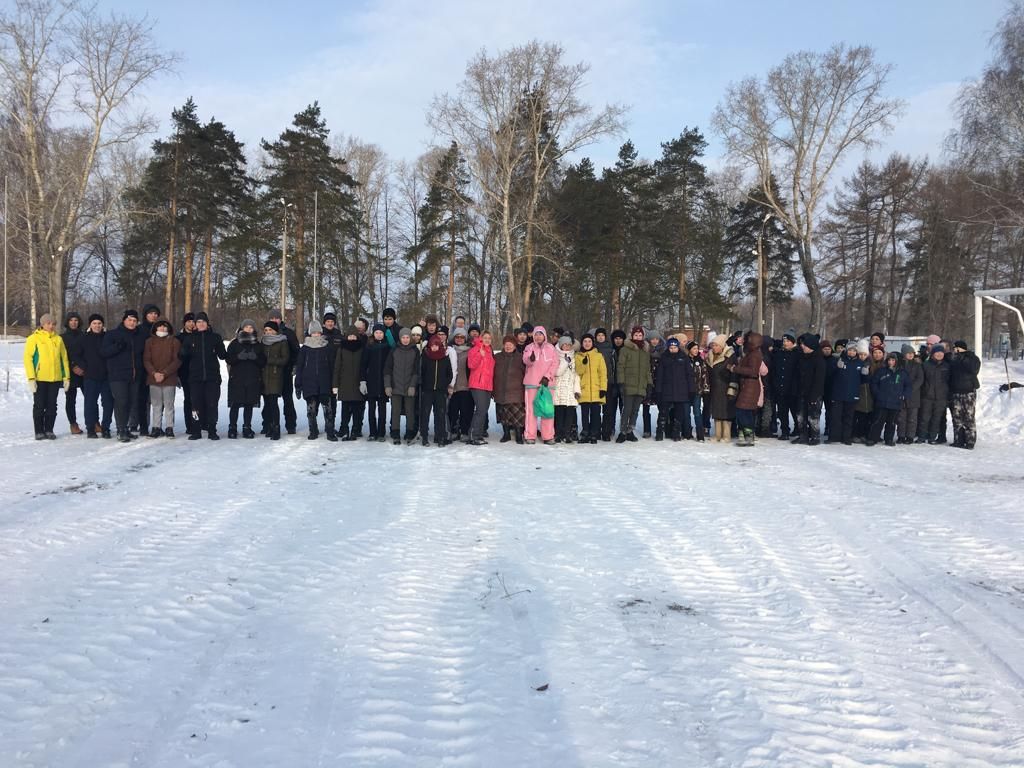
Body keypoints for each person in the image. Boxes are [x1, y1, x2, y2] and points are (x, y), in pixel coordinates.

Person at [179, 311, 227, 440]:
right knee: (195, 405)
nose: (201, 324)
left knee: (212, 404)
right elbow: (182, 356)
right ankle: (196, 430)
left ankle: (212, 430)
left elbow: (223, 356)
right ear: (195, 324)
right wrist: (183, 351)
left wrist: (220, 346)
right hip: (195, 378)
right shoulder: (190, 338)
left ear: (207, 323)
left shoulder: (215, 337)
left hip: (212, 378)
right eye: (198, 322)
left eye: (203, 322)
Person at [101, 309, 145, 442]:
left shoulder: (139, 335)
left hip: (134, 375)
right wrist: (117, 347)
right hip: (117, 375)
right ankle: (121, 430)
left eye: (134, 321)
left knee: (131, 402)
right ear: (124, 320)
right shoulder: (112, 334)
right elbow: (104, 352)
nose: (132, 323)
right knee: (121, 402)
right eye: (129, 320)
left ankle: (125, 428)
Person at [24, 313, 70, 440]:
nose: (51, 326)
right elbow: (28, 358)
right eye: (48, 323)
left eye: (53, 324)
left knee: (52, 405)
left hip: (55, 379)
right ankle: (39, 431)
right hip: (40, 378)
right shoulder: (34, 338)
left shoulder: (58, 339)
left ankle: (49, 429)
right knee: (39, 405)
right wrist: (31, 378)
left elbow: (64, 359)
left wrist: (66, 377)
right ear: (42, 324)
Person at [294, 320, 335, 440]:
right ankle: (313, 430)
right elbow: (300, 367)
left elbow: (332, 366)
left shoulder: (327, 347)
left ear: (321, 333)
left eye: (318, 332)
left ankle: (330, 430)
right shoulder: (305, 349)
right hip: (309, 383)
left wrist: (334, 384)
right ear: (310, 333)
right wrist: (298, 384)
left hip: (325, 382)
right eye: (313, 332)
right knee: (311, 410)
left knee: (327, 409)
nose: (316, 334)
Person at [225, 319, 266, 439]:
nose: (248, 329)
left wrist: (255, 358)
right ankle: (232, 427)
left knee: (249, 404)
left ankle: (247, 427)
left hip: (252, 378)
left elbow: (263, 362)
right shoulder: (235, 343)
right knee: (235, 404)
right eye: (246, 327)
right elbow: (228, 359)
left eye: (251, 327)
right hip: (237, 378)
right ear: (242, 329)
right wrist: (238, 357)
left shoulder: (257, 345)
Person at [143, 319, 181, 438]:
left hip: (169, 378)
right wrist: (154, 373)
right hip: (153, 378)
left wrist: (164, 373)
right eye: (160, 327)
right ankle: (156, 428)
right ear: (155, 328)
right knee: (156, 404)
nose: (162, 329)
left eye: (165, 327)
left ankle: (169, 428)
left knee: (169, 404)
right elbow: (146, 359)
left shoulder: (174, 341)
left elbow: (177, 360)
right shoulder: (149, 341)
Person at [522, 326, 559, 445]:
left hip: (547, 384)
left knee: (547, 410)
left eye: (540, 334)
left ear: (544, 335)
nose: (538, 337)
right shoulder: (529, 347)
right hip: (532, 383)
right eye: (536, 334)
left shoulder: (551, 348)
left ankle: (548, 436)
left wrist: (547, 377)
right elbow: (525, 360)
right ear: (533, 336)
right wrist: (530, 359)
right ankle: (530, 435)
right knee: (531, 411)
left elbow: (555, 364)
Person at [654, 337, 695, 441]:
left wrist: (691, 390)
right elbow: (659, 375)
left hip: (681, 390)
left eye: (674, 347)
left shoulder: (684, 358)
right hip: (666, 389)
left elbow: (689, 375)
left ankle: (676, 432)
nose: (673, 349)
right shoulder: (664, 358)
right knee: (663, 412)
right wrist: (658, 390)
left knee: (679, 413)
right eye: (671, 347)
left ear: (678, 347)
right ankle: (660, 431)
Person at [615, 326, 652, 443]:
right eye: (636, 335)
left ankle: (630, 431)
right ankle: (622, 431)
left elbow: (647, 369)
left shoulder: (645, 351)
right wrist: (621, 382)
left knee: (635, 410)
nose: (638, 337)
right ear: (632, 336)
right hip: (628, 384)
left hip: (641, 385)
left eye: (640, 335)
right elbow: (620, 367)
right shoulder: (625, 350)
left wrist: (649, 383)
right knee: (627, 409)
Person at [384, 327, 419, 444]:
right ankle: (395, 434)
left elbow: (416, 370)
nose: (405, 339)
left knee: (410, 412)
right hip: (395, 387)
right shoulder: (394, 350)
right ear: (400, 338)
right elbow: (387, 369)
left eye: (407, 337)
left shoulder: (415, 351)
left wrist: (413, 385)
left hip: (409, 387)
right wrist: (388, 385)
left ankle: (409, 434)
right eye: (403, 337)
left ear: (410, 338)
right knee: (396, 411)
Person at [80, 314, 113, 439]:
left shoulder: (108, 337)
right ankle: (91, 428)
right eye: (94, 323)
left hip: (107, 376)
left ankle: (106, 428)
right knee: (90, 403)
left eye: (99, 323)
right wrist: (84, 366)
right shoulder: (84, 338)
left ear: (102, 325)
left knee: (108, 403)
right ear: (90, 325)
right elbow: (77, 354)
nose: (97, 326)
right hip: (90, 376)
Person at [867, 351, 910, 446]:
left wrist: (903, 395)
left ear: (897, 361)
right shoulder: (882, 371)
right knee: (878, 421)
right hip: (882, 401)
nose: (891, 362)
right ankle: (873, 438)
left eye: (893, 360)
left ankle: (889, 439)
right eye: (889, 360)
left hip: (896, 402)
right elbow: (874, 383)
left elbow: (907, 386)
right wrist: (877, 394)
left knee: (891, 423)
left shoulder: (903, 373)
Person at [268, 309, 300, 435]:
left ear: (280, 319)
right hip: (271, 373)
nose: (275, 320)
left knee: (288, 399)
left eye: (277, 318)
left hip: (286, 371)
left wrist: (294, 365)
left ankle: (291, 424)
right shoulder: (267, 332)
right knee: (270, 400)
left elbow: (296, 351)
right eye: (272, 318)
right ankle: (269, 424)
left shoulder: (289, 333)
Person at [829, 341, 866, 445]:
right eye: (850, 350)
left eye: (854, 350)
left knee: (849, 418)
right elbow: (830, 375)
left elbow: (863, 380)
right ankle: (834, 437)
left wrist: (865, 374)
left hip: (852, 395)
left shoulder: (860, 363)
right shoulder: (839, 360)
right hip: (838, 394)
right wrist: (836, 367)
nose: (852, 352)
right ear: (846, 350)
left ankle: (846, 437)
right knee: (836, 416)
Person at [733, 332, 767, 447]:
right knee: (743, 411)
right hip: (748, 385)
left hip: (750, 385)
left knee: (743, 411)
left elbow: (752, 371)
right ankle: (745, 434)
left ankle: (748, 434)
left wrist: (735, 369)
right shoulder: (752, 353)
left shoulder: (754, 355)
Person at [419, 331, 453, 446]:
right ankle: (424, 436)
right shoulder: (426, 356)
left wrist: (444, 384)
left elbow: (450, 374)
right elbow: (421, 373)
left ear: (439, 345)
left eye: (436, 345)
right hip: (427, 391)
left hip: (440, 391)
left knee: (440, 414)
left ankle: (440, 437)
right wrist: (423, 385)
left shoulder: (445, 357)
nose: (434, 347)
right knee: (425, 414)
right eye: (432, 345)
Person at [791, 334, 825, 445]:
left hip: (814, 393)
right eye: (802, 344)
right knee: (800, 416)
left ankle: (815, 436)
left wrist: (814, 395)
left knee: (813, 417)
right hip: (801, 392)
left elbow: (819, 380)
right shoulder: (801, 358)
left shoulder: (819, 360)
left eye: (804, 345)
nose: (802, 346)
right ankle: (802, 436)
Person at [333, 326, 366, 441]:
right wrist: (335, 385)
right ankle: (343, 429)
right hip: (345, 383)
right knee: (345, 409)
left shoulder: (362, 348)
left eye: (354, 336)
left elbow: (365, 366)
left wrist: (364, 381)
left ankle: (356, 430)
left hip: (358, 383)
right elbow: (337, 367)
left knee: (357, 409)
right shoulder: (342, 349)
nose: (352, 338)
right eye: (350, 336)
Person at [260, 320, 291, 441]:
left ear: (275, 331)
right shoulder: (262, 342)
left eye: (270, 330)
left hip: (275, 376)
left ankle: (276, 427)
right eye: (266, 330)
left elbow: (285, 359)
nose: (268, 332)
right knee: (266, 403)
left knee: (273, 403)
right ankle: (269, 426)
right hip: (263, 376)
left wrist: (269, 360)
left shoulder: (282, 342)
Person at [493, 335, 526, 444]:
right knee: (503, 415)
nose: (508, 346)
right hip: (500, 390)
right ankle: (506, 434)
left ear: (515, 346)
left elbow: (526, 372)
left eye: (510, 345)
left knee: (518, 416)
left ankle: (518, 435)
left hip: (516, 392)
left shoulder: (521, 357)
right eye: (506, 344)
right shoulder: (497, 357)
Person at [948, 340, 981, 449]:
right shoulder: (953, 358)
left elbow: (973, 369)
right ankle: (958, 440)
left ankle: (970, 441)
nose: (954, 350)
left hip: (968, 392)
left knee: (969, 417)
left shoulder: (972, 358)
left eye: (956, 348)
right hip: (955, 392)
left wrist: (963, 357)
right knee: (957, 418)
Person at [576, 333, 607, 444]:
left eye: (589, 341)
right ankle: (585, 433)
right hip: (584, 390)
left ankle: (594, 434)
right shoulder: (578, 356)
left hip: (596, 390)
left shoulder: (598, 356)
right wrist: (583, 364)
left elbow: (603, 374)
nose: (587, 343)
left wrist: (603, 388)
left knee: (595, 414)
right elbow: (577, 372)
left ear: (592, 343)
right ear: (582, 343)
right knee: (584, 414)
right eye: (585, 341)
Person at [362, 323, 392, 441]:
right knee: (371, 409)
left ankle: (381, 433)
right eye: (376, 333)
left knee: (382, 410)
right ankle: (372, 432)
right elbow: (363, 365)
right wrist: (363, 380)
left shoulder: (388, 347)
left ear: (384, 334)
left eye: (381, 333)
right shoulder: (369, 347)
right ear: (373, 334)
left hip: (383, 383)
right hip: (371, 382)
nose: (379, 335)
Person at [466, 331, 496, 445]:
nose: (487, 340)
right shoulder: (475, 349)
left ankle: (478, 434)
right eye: (485, 338)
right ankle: (473, 435)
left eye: (489, 338)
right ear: (481, 338)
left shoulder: (489, 352)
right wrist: (480, 354)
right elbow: (471, 365)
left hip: (487, 386)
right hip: (477, 385)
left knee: (483, 411)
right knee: (481, 410)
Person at [552, 335, 582, 443]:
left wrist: (577, 390)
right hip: (559, 389)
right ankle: (558, 434)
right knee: (559, 414)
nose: (567, 347)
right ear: (561, 345)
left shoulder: (575, 357)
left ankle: (567, 434)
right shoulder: (556, 356)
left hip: (570, 390)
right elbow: (557, 373)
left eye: (569, 345)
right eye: (565, 345)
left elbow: (577, 375)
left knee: (570, 414)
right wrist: (565, 362)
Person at [919, 344, 951, 444]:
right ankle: (922, 436)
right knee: (924, 418)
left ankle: (932, 437)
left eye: (941, 353)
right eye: (937, 353)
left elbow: (950, 381)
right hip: (927, 396)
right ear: (932, 354)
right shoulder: (926, 365)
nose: (939, 354)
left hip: (941, 397)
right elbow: (922, 380)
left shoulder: (947, 366)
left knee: (936, 419)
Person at [771, 331, 800, 439]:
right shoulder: (778, 353)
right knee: (782, 411)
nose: (785, 343)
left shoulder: (797, 354)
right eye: (784, 341)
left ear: (793, 342)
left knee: (795, 411)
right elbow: (775, 369)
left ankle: (798, 428)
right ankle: (784, 431)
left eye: (788, 341)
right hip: (780, 387)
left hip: (792, 389)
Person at [707, 333, 735, 442]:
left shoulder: (730, 356)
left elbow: (734, 374)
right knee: (716, 411)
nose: (714, 348)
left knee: (726, 411)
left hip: (725, 386)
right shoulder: (709, 356)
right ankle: (717, 434)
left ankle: (726, 435)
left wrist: (732, 388)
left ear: (722, 346)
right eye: (713, 345)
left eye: (716, 345)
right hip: (714, 387)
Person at [448, 327, 474, 442]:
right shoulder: (449, 349)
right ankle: (454, 430)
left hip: (466, 385)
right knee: (452, 411)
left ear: (465, 338)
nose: (459, 339)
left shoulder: (470, 350)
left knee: (465, 411)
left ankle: (464, 431)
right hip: (452, 386)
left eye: (462, 337)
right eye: (457, 337)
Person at [137, 303, 161, 434]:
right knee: (142, 399)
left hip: (159, 369)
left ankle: (157, 426)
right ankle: (143, 426)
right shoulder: (139, 329)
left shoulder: (161, 329)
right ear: (145, 315)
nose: (153, 315)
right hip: (142, 369)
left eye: (156, 313)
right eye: (151, 313)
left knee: (158, 400)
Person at [61, 311, 85, 434]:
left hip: (84, 372)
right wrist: (73, 366)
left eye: (76, 320)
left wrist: (83, 368)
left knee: (90, 399)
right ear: (67, 322)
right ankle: (73, 424)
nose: (74, 323)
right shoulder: (62, 338)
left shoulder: (85, 335)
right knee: (71, 400)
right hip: (70, 372)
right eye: (71, 320)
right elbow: (62, 356)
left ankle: (94, 421)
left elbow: (88, 353)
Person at [600, 329, 626, 441]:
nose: (618, 340)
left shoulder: (626, 350)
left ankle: (625, 430)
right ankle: (608, 429)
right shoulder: (610, 350)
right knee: (609, 409)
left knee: (624, 409)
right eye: (616, 338)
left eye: (620, 338)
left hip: (624, 383)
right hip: (610, 383)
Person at [897, 344, 923, 444]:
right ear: (904, 354)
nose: (911, 355)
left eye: (912, 353)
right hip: (901, 394)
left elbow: (920, 379)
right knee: (901, 418)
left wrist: (911, 388)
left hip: (914, 395)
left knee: (912, 418)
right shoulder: (900, 365)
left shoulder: (917, 365)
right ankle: (901, 435)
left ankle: (910, 436)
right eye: (908, 353)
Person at [176, 313, 197, 436]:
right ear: (184, 323)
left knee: (198, 399)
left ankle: (199, 422)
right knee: (189, 399)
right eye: (188, 321)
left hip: (198, 372)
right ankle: (189, 425)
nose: (191, 324)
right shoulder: (179, 337)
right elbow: (176, 357)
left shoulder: (199, 335)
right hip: (185, 372)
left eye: (193, 321)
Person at [641, 329, 664, 438]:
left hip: (659, 382)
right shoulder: (644, 350)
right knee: (646, 406)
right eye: (652, 339)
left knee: (662, 407)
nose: (654, 341)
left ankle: (660, 428)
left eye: (656, 339)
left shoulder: (663, 351)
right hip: (647, 382)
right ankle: (647, 430)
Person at [685, 341, 709, 441]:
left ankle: (700, 434)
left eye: (697, 348)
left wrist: (706, 388)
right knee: (686, 413)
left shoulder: (701, 361)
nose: (696, 350)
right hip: (685, 391)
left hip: (697, 391)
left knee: (697, 412)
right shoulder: (685, 360)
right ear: (689, 349)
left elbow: (705, 375)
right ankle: (687, 433)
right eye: (694, 348)